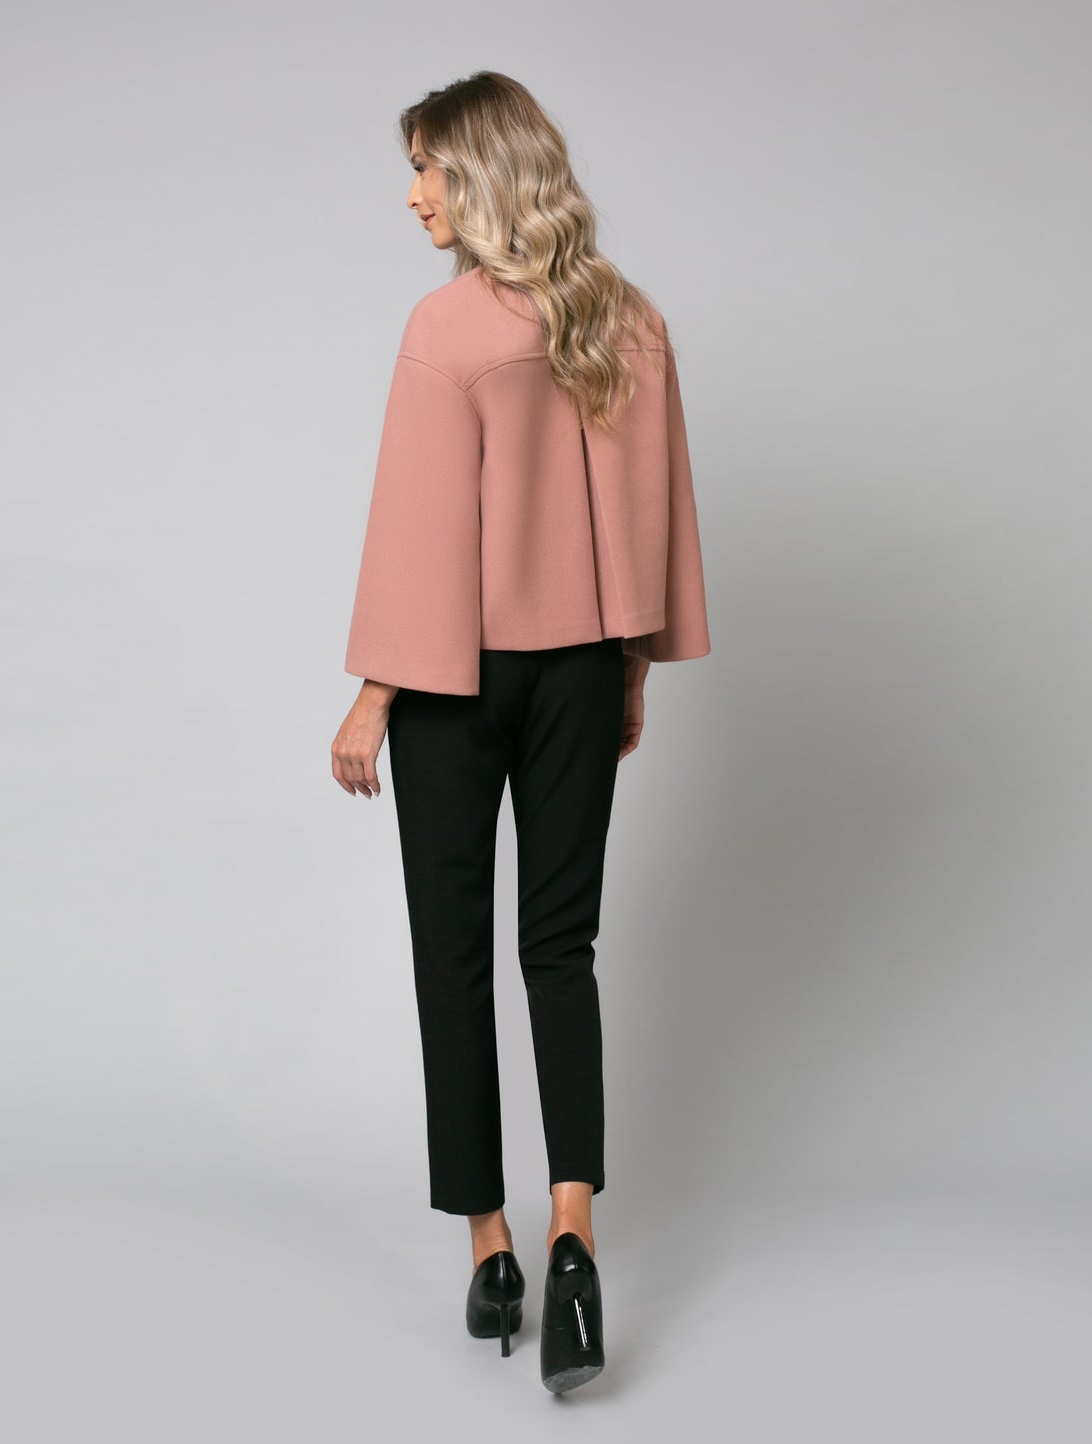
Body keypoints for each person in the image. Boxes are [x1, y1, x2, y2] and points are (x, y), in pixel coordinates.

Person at [329, 71, 710, 1392]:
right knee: (562, 948)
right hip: (581, 671)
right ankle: (572, 1234)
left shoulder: (446, 330)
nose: (413, 195)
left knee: (453, 954)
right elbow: (646, 512)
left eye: (429, 168)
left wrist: (374, 693)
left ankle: (489, 1248)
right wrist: (631, 670)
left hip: (453, 680)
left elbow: (423, 527)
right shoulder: (628, 321)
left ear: (481, 173)